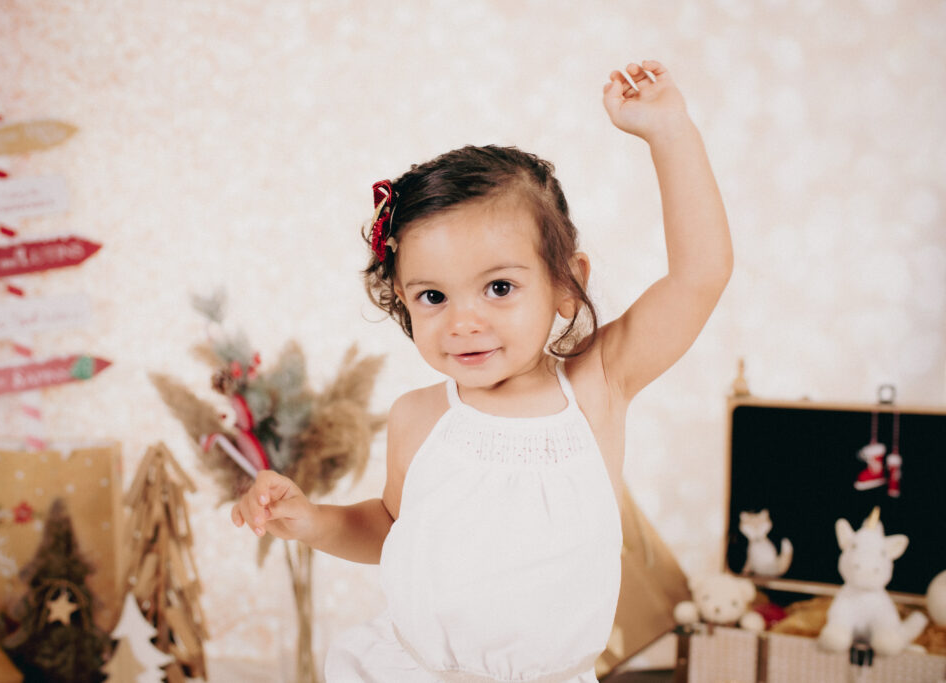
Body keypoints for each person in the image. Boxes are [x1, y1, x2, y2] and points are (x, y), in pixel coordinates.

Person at [232, 60, 733, 682]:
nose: (463, 322)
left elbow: (699, 274)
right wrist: (314, 522)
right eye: (433, 297)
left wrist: (669, 132)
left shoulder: (594, 386)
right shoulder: (419, 416)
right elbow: (391, 528)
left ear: (566, 285)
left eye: (498, 287)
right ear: (403, 300)